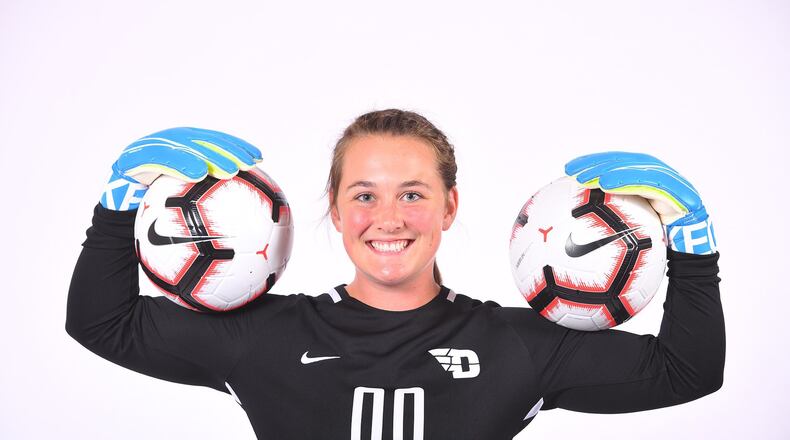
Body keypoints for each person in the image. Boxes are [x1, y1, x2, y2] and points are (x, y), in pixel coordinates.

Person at [66, 110, 724, 439]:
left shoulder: (520, 346)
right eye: (364, 194)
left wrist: (693, 251)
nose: (389, 217)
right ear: (334, 207)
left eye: (413, 193)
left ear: (449, 208)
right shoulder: (260, 337)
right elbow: (102, 322)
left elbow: (685, 371)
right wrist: (117, 206)